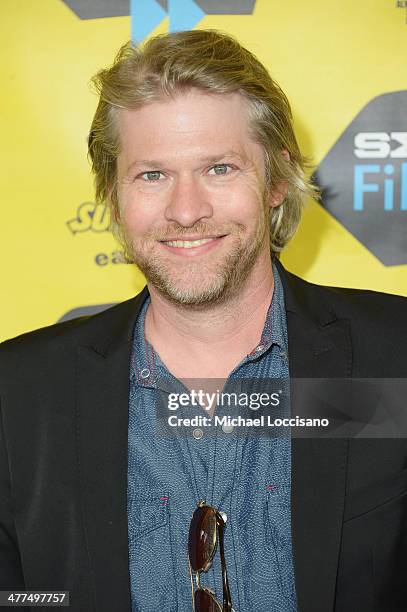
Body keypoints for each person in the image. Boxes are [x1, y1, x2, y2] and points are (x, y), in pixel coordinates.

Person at [1, 30, 406, 612]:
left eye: (218, 168)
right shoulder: (20, 393)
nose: (186, 211)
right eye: (152, 175)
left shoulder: (394, 357)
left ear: (274, 182)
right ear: (113, 199)